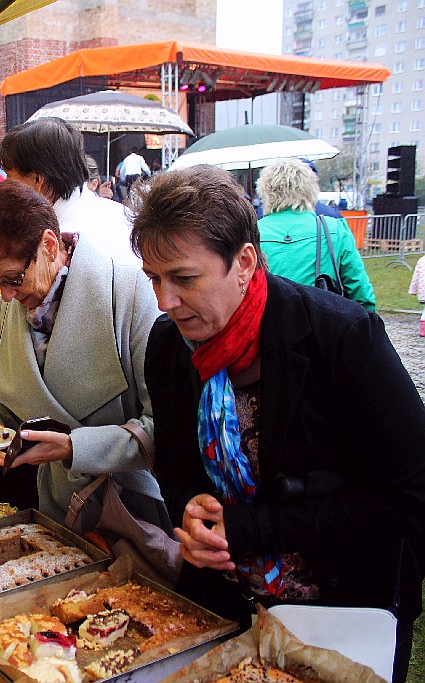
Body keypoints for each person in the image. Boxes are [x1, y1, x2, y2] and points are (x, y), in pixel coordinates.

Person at [131, 165, 425, 681]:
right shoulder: (168, 344)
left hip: (342, 610)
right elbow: (173, 462)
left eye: (183, 278)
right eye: (154, 278)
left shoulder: (342, 337)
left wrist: (249, 528)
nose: (164, 301)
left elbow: (411, 494)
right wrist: (189, 506)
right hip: (225, 605)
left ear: (244, 262)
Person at [0, 179, 168, 529]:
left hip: (131, 512)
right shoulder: (14, 301)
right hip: (57, 509)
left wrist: (74, 448)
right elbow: (6, 402)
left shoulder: (132, 293)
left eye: (12, 278)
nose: (5, 295)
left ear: (50, 245)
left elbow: (163, 429)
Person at [0, 118, 140, 267]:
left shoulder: (62, 245)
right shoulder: (121, 213)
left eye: (9, 175)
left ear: (38, 180)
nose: (5, 184)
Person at [256, 158, 375, 310]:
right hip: (325, 326)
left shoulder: (250, 233)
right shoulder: (334, 229)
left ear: (265, 192)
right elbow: (361, 294)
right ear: (310, 189)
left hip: (267, 326)